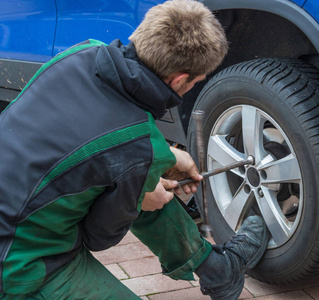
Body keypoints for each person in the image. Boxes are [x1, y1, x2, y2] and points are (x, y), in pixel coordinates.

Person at [0, 0, 269, 299]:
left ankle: (217, 270)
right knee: (139, 183)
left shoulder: (82, 52)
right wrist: (140, 200)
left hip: (15, 211)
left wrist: (160, 160)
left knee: (137, 178)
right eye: (197, 81)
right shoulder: (136, 148)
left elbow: (102, 142)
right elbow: (98, 236)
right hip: (19, 265)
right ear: (179, 79)